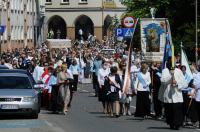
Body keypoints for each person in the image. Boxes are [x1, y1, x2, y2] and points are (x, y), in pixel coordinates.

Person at [159, 64, 188, 130]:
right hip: (168, 96)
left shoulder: (179, 71)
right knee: (169, 111)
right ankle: (171, 123)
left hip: (177, 95)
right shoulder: (165, 71)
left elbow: (185, 84)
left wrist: (177, 83)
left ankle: (177, 124)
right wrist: (170, 75)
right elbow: (163, 81)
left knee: (177, 110)